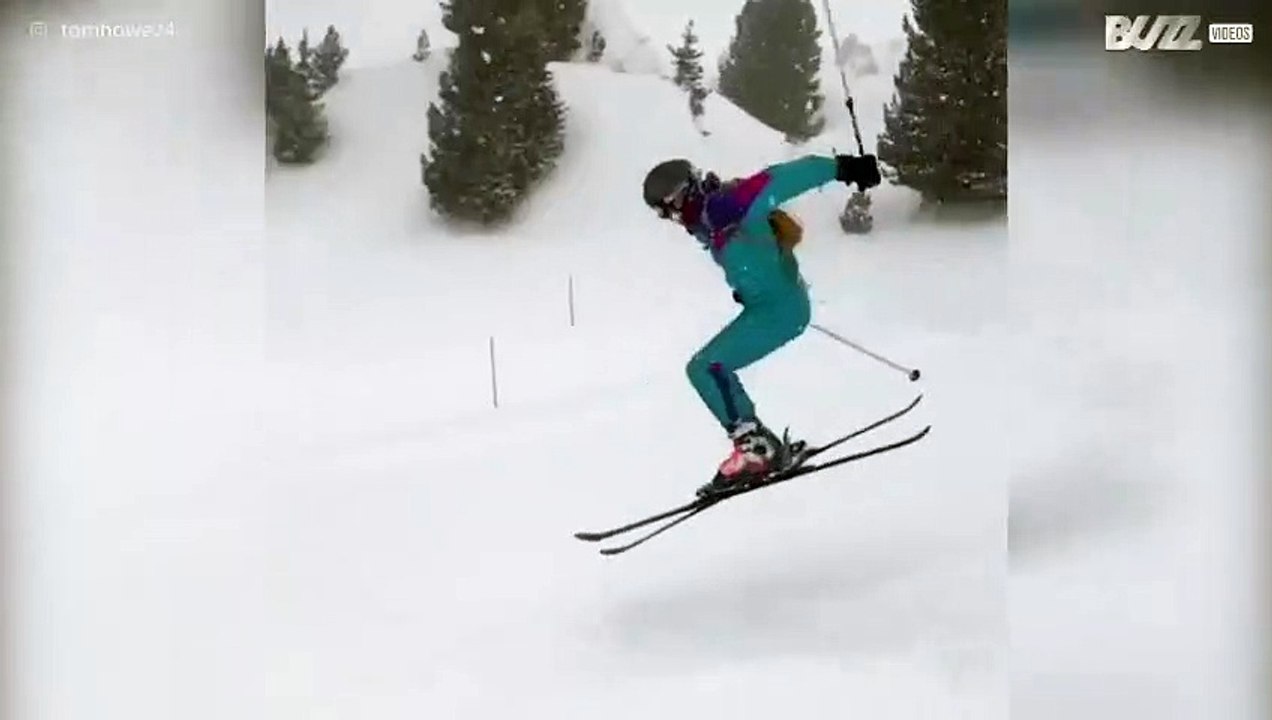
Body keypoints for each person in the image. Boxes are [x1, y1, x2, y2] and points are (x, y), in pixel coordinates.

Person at [641, 153, 881, 496]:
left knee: (706, 368)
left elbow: (779, 179)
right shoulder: (709, 221)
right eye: (664, 215)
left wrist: (842, 167)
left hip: (779, 311)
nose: (672, 219)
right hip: (769, 308)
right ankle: (757, 446)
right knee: (707, 367)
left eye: (669, 209)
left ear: (684, 194)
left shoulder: (727, 205)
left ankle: (756, 448)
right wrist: (748, 286)